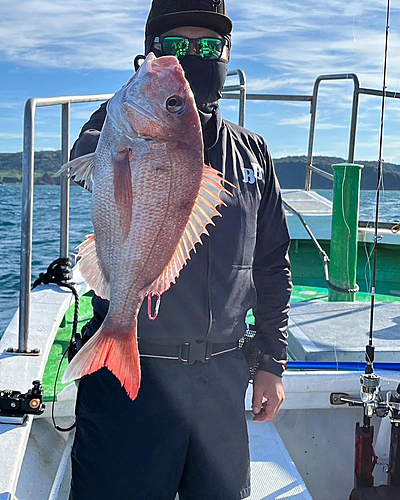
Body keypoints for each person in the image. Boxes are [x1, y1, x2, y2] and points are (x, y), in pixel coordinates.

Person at [68, 1, 292, 499]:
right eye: (173, 46)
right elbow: (86, 156)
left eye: (209, 46)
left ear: (227, 58)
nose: (192, 56)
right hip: (134, 385)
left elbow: (273, 263)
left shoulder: (253, 154)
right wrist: (133, 110)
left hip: (223, 382)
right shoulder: (118, 125)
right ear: (148, 55)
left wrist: (271, 362)